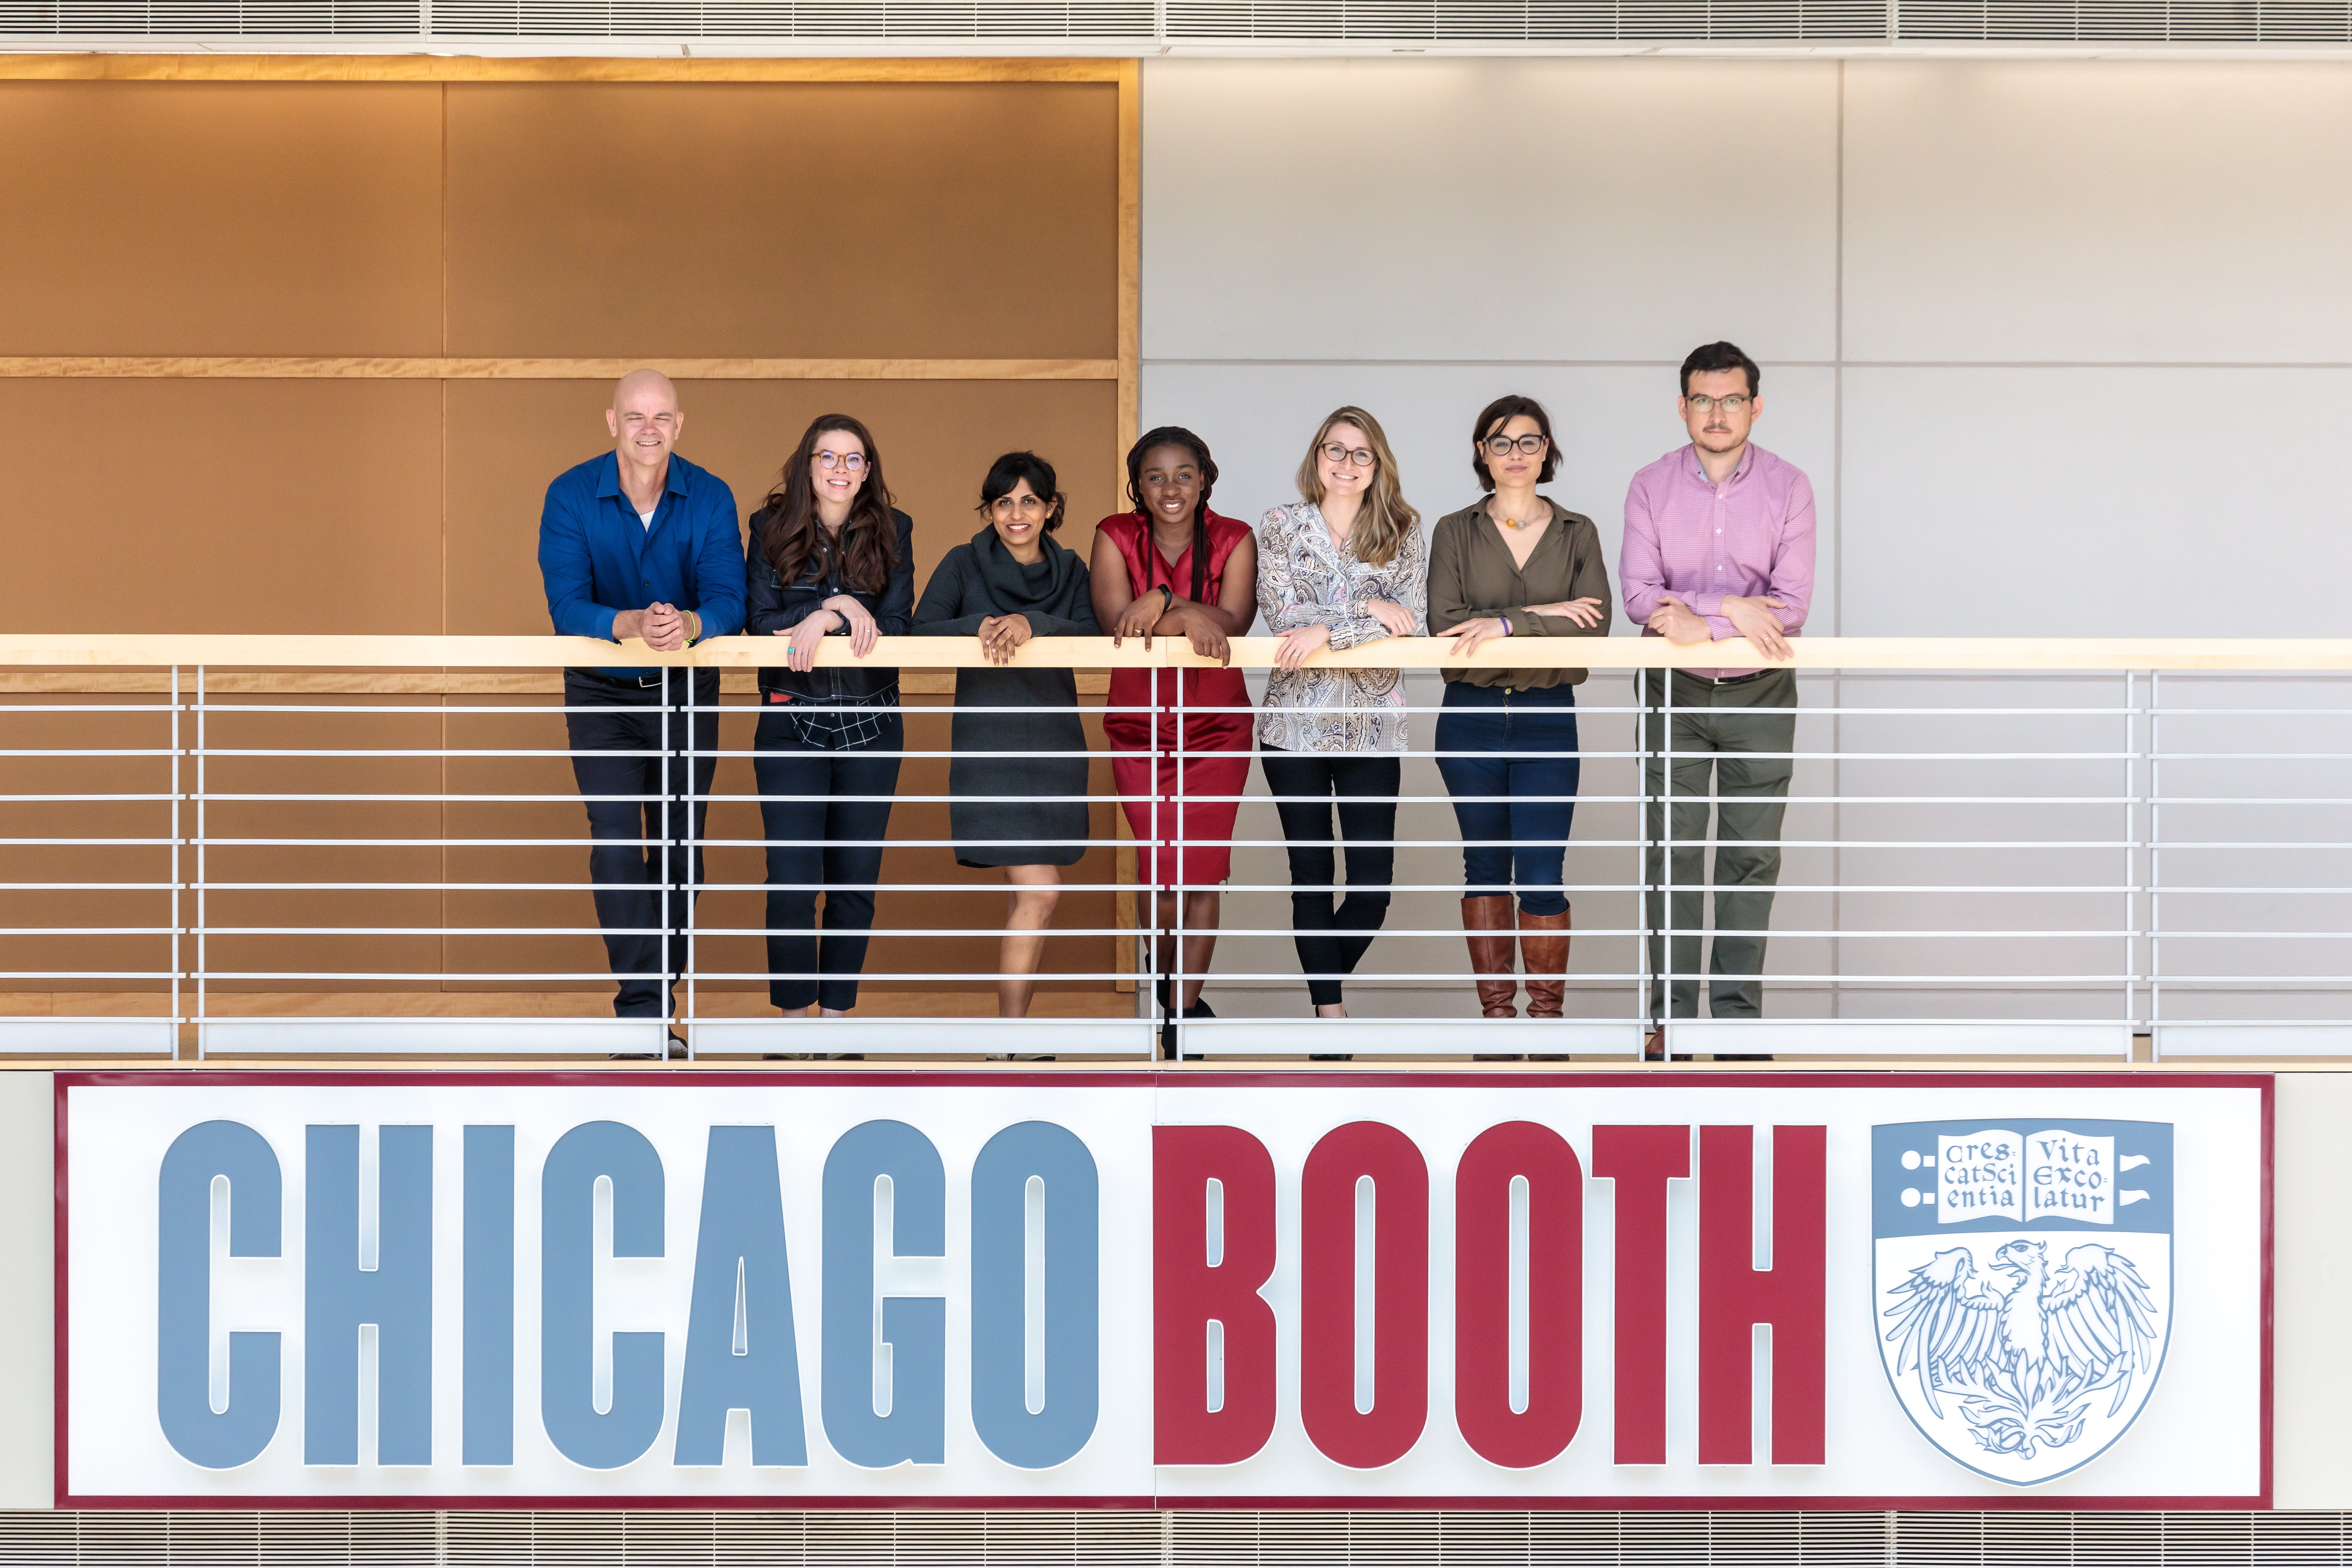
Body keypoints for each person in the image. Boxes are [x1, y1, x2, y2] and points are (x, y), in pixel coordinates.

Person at [536, 370, 746, 1045]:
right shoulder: (569, 495)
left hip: (687, 695)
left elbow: (730, 603)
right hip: (601, 695)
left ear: (679, 425)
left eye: (661, 417)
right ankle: (645, 1013)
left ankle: (660, 1004)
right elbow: (567, 606)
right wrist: (629, 624)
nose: (648, 429)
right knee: (620, 846)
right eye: (635, 417)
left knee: (683, 848)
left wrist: (687, 625)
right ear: (612, 422)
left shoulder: (711, 497)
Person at [1620, 340, 1815, 1053]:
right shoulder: (1649, 485)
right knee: (1668, 851)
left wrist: (1706, 613)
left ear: (1755, 406)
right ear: (1682, 406)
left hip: (1760, 691)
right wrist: (1736, 607)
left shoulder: (1790, 487)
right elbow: (1642, 597)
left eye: (1731, 399)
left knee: (1750, 856)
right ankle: (1666, 1021)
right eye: (1702, 399)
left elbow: (1788, 606)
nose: (1716, 413)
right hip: (1670, 688)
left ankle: (1735, 1026)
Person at [1427, 394, 1612, 1022]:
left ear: (1547, 452)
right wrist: (1544, 616)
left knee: (1541, 871)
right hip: (1470, 716)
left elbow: (1594, 626)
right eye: (1501, 443)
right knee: (1484, 867)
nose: (1516, 454)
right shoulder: (1455, 529)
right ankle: (1499, 1022)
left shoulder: (1576, 530)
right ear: (1482, 452)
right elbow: (1445, 627)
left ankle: (1547, 1021)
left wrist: (1504, 626)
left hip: (1547, 713)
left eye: (1529, 442)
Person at [912, 452, 1102, 1020]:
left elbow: (1093, 635)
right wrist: (981, 625)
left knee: (1033, 897)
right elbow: (920, 632)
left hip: (1054, 749)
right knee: (1042, 891)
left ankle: (1012, 1034)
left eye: (1029, 501)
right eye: (1003, 502)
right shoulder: (963, 563)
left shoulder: (1071, 570)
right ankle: (1011, 1037)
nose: (1016, 513)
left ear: (1050, 508)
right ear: (990, 510)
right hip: (989, 747)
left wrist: (1031, 624)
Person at [1090, 427, 1259, 1052]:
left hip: (1217, 727)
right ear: (1138, 484)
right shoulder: (1114, 534)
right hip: (1139, 723)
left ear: (1204, 479)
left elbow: (1235, 620)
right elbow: (1117, 622)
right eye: (1156, 476)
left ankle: (1184, 1015)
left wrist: (1167, 604)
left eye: (1184, 474)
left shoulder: (1237, 537)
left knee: (1202, 873)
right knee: (1160, 869)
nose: (1170, 488)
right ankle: (1168, 990)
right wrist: (1184, 609)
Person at [1256, 406, 1427, 1023]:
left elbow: (1412, 625)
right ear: (1317, 456)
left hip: (1373, 724)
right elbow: (1282, 621)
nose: (1346, 464)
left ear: (1377, 464)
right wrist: (1363, 616)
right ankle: (1331, 1018)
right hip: (1293, 725)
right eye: (1336, 450)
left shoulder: (1405, 531)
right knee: (1311, 875)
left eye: (1360, 453)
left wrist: (1329, 625)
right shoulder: (1279, 525)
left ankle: (1320, 984)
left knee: (1372, 889)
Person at [744, 413, 915, 1023]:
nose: (840, 470)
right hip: (794, 719)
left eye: (853, 459)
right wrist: (830, 609)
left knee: (854, 879)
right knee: (791, 878)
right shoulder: (769, 527)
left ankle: (837, 1018)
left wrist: (834, 610)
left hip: (872, 721)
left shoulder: (896, 528)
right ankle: (794, 1020)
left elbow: (896, 624)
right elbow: (761, 621)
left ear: (868, 470)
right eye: (828, 458)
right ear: (807, 465)